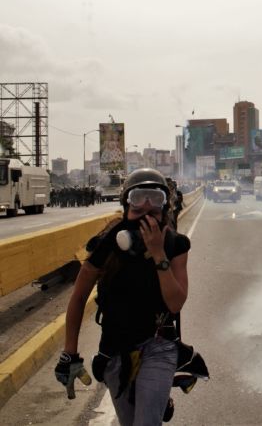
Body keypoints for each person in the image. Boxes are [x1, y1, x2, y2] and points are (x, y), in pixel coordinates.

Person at [55, 168, 192, 425]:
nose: (146, 216)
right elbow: (78, 297)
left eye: (154, 207)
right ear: (126, 206)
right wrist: (69, 353)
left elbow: (175, 302)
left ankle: (158, 395)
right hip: (114, 350)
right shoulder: (105, 245)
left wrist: (159, 255)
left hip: (158, 345)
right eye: (138, 206)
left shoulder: (176, 245)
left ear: (166, 208)